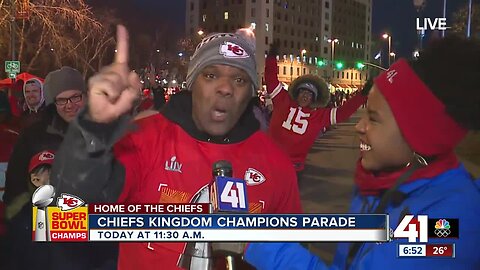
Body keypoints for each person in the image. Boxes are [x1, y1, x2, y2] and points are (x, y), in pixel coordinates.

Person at [50, 26, 302, 270]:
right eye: (211, 75)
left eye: (239, 79)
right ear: (192, 84)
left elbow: (290, 250)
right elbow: (69, 214)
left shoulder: (276, 165)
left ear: (250, 93)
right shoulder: (144, 140)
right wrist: (91, 131)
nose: (225, 88)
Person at [241, 36, 480, 269]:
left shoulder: (448, 222)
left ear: (416, 132)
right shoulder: (379, 180)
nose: (359, 127)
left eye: (373, 118)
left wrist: (254, 242)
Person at [264, 43, 368, 175]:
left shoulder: (319, 116)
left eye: (309, 94)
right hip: (269, 160)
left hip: (292, 168)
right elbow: (271, 79)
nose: (305, 96)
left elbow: (343, 112)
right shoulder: (283, 100)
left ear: (314, 99)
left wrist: (362, 95)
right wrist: (272, 57)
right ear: (297, 92)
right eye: (303, 91)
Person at [5, 150, 55, 269]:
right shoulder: (20, 219)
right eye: (37, 178)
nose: (44, 183)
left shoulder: (75, 214)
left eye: (50, 176)